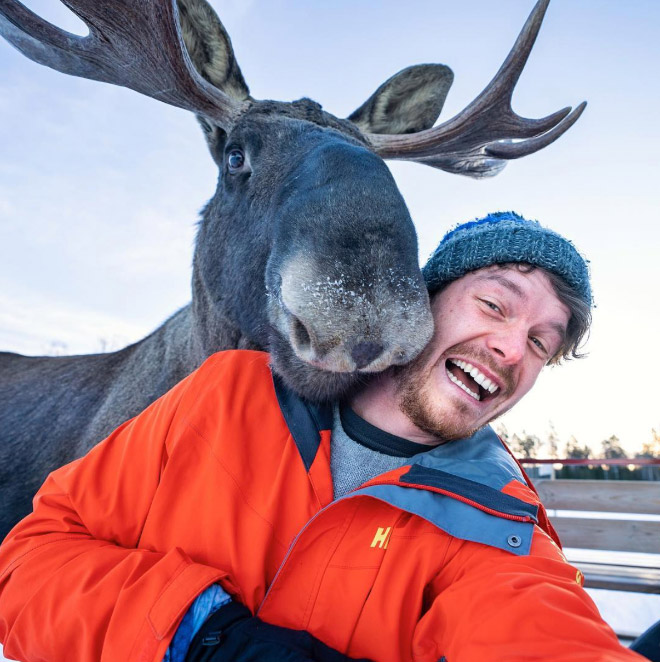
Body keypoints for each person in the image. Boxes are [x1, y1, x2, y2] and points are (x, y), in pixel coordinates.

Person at [0, 212, 647, 662]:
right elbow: (28, 561)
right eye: (495, 305)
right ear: (425, 298)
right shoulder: (228, 394)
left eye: (541, 343)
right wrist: (200, 637)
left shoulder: (496, 525)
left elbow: (540, 633)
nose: (512, 347)